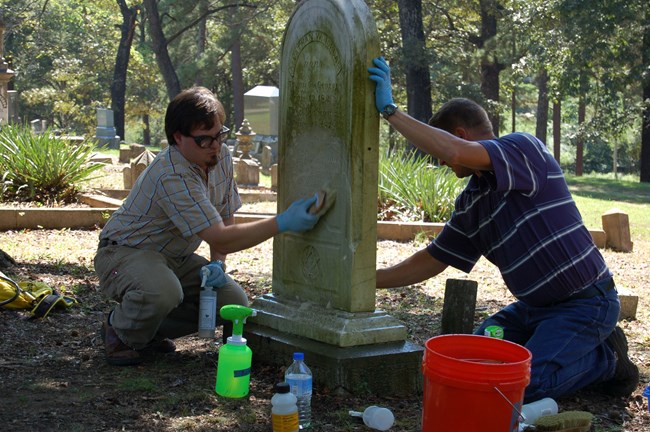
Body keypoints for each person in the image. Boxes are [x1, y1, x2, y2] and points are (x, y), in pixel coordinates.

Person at [368, 57, 639, 401]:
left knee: (522, 387)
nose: (440, 162)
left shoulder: (524, 150)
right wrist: (368, 279)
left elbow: (453, 150)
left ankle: (607, 359)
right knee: (475, 363)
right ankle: (559, 346)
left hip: (586, 304)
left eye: (439, 151)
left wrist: (390, 111)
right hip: (531, 309)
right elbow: (433, 259)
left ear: (461, 135)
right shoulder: (472, 201)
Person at [95, 86, 322, 366]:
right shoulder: (172, 173)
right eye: (204, 139)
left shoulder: (219, 156)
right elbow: (222, 236)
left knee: (231, 302)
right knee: (163, 291)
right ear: (178, 137)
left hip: (173, 257)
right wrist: (282, 222)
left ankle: (149, 331)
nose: (215, 145)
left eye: (219, 135)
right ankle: (119, 331)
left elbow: (226, 214)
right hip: (124, 253)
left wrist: (218, 264)